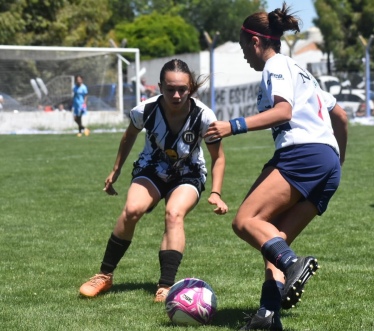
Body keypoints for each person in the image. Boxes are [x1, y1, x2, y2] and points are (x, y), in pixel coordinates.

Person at [204, 3, 347, 330]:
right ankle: (267, 317)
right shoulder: (302, 72)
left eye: (243, 48)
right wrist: (337, 159)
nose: (244, 56)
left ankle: (293, 263)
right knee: (273, 238)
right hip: (325, 163)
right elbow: (340, 115)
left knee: (245, 221)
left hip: (302, 155)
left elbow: (283, 112)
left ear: (256, 42)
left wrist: (233, 125)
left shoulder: (276, 66)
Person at [79, 59, 228, 302]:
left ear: (190, 87)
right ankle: (104, 275)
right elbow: (128, 136)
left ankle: (165, 286)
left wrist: (216, 192)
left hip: (188, 172)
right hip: (152, 167)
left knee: (174, 213)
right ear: (160, 87)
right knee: (132, 210)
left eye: (182, 89)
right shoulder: (145, 111)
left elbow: (218, 158)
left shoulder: (204, 116)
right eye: (171, 89)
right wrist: (115, 170)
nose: (177, 95)